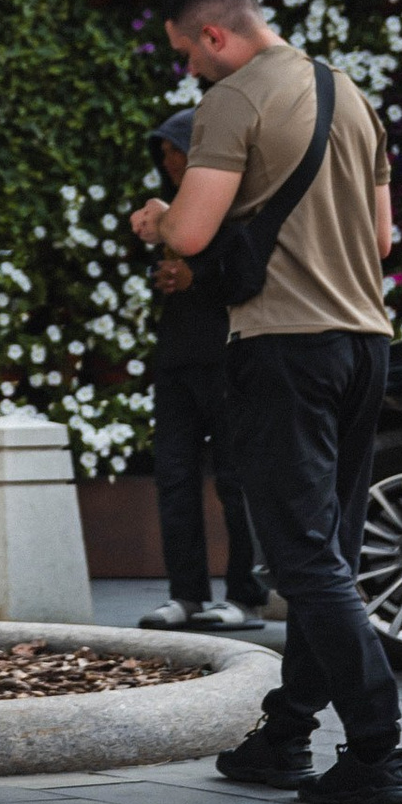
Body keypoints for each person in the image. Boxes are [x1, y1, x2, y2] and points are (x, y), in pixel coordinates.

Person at [131, 0, 402, 804]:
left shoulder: (233, 100)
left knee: (304, 561)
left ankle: (379, 752)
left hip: (286, 348)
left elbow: (192, 231)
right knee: (328, 555)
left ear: (216, 34)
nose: (189, 70)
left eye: (187, 52)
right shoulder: (351, 95)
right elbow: (383, 239)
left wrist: (159, 220)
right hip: (365, 343)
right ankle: (285, 735)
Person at [142, 107, 264, 628]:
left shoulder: (236, 209)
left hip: (227, 358)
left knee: (236, 479)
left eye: (178, 150)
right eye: (164, 152)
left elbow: (248, 274)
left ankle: (245, 596)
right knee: (174, 476)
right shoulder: (169, 214)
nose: (170, 160)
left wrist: (198, 277)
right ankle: (186, 594)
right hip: (176, 360)